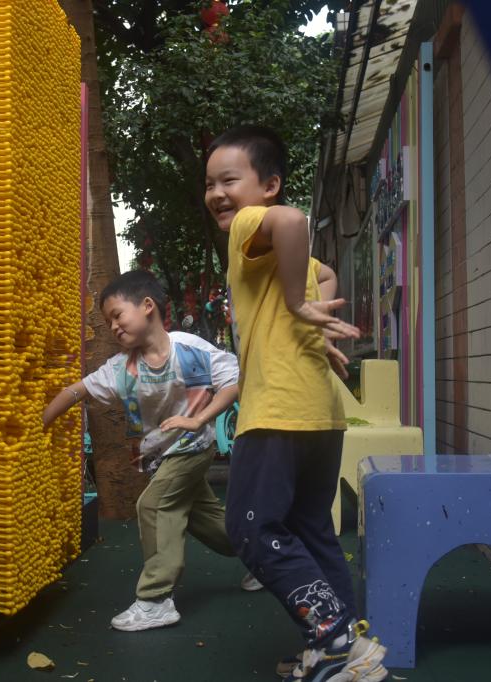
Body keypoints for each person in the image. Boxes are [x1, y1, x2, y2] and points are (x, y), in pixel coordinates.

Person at [205, 125, 388, 682]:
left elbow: (291, 220)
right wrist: (311, 314)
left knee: (252, 529)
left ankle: (334, 641)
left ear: (269, 185)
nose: (216, 193)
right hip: (321, 415)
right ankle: (351, 651)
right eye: (209, 183)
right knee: (311, 528)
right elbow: (325, 273)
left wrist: (292, 301)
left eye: (229, 180)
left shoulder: (250, 225)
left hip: (276, 412)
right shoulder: (297, 264)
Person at [43, 270, 242, 632]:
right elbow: (77, 390)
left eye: (117, 315)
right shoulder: (122, 368)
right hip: (161, 458)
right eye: (108, 322)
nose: (113, 326)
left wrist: (199, 419)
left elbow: (231, 382)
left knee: (153, 505)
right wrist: (40, 421)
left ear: (147, 306)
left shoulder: (189, 349)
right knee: (209, 523)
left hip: (193, 446)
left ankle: (156, 599)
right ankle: (262, 555)